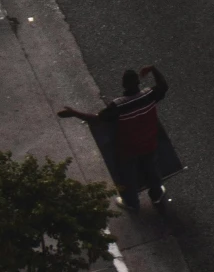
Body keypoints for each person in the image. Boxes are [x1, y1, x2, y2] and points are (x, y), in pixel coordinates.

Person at [59, 66, 170, 213]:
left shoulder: (118, 106)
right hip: (149, 143)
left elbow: (96, 119)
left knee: (127, 177)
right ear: (138, 82)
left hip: (128, 149)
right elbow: (163, 85)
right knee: (151, 169)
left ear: (123, 85)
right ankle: (156, 195)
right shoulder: (149, 95)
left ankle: (132, 203)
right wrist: (154, 69)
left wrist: (74, 113)